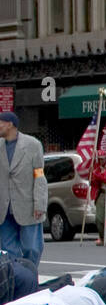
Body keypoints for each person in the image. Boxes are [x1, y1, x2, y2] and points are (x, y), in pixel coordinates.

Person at [0, 111, 47, 265]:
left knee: (32, 248)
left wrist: (39, 203)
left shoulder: (33, 145)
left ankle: (30, 275)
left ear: (10, 124)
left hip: (28, 206)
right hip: (4, 209)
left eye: (1, 122)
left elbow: (39, 176)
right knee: (8, 250)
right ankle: (16, 279)